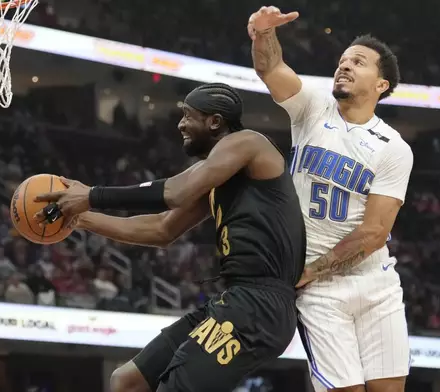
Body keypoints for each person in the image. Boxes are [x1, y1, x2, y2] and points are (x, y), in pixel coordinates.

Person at [34, 83, 306, 392]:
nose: (180, 124)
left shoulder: (248, 142)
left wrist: (92, 195)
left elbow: (175, 193)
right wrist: (81, 218)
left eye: (188, 115)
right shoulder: (217, 174)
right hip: (236, 299)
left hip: (260, 305)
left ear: (214, 122)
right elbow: (162, 229)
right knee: (126, 381)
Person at [248, 6, 414, 392]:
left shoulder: (394, 148)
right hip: (319, 290)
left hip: (373, 281)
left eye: (358, 62)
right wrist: (263, 35)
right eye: (342, 61)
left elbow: (374, 232)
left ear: (381, 85)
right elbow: (271, 70)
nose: (345, 66)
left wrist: (312, 269)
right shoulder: (312, 107)